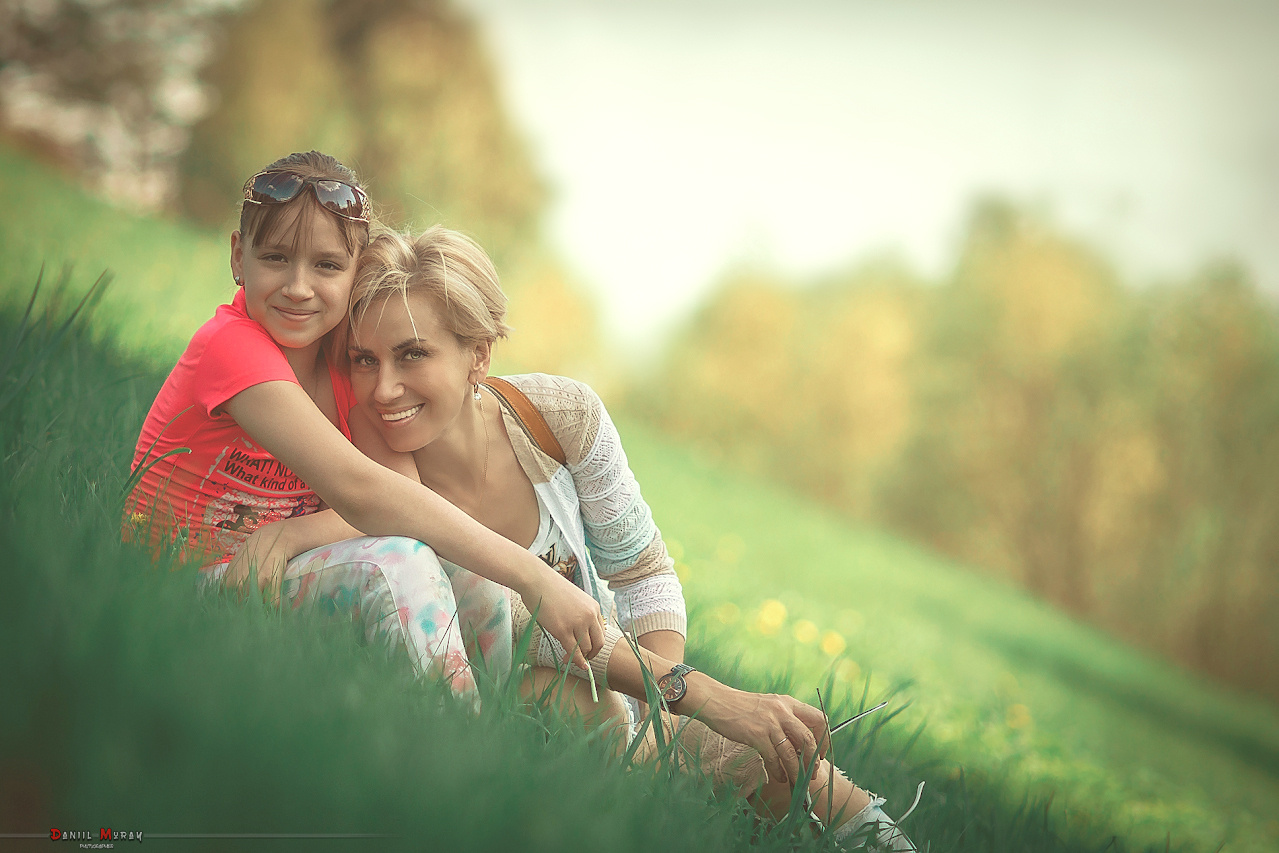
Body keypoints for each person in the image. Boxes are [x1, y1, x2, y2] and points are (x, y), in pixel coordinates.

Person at [331, 225, 923, 851]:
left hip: (618, 684)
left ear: (478, 353)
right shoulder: (383, 479)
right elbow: (534, 632)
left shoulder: (558, 418)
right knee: (589, 706)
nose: (382, 388)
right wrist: (702, 697)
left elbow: (642, 573)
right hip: (511, 707)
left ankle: (871, 836)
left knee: (781, 751)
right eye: (364, 359)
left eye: (412, 354)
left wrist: (663, 717)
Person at [123, 151, 608, 711]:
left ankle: (492, 719)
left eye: (327, 266)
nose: (299, 287)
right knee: (393, 563)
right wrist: (533, 575)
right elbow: (363, 490)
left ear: (356, 270)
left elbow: (402, 494)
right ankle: (453, 743)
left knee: (455, 560)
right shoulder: (230, 347)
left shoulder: (346, 362)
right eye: (276, 258)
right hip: (183, 587)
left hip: (274, 570)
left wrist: (291, 535)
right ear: (239, 256)